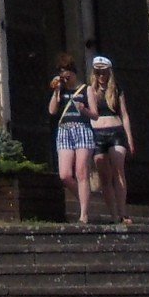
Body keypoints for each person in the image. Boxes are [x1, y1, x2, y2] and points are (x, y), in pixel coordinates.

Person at [47, 51, 95, 222]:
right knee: (65, 175)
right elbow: (52, 111)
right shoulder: (61, 92)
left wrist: (85, 110)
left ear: (73, 72)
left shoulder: (85, 90)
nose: (65, 77)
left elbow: (95, 115)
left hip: (82, 129)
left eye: (66, 73)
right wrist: (56, 92)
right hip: (64, 130)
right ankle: (84, 199)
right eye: (61, 73)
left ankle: (84, 214)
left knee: (81, 172)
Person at [87, 56, 133, 224]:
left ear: (109, 72)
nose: (101, 75)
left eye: (104, 72)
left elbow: (124, 114)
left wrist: (129, 138)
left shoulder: (116, 89)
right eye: (98, 72)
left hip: (116, 131)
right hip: (97, 134)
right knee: (104, 177)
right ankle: (113, 214)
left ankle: (123, 212)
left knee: (119, 171)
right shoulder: (89, 91)